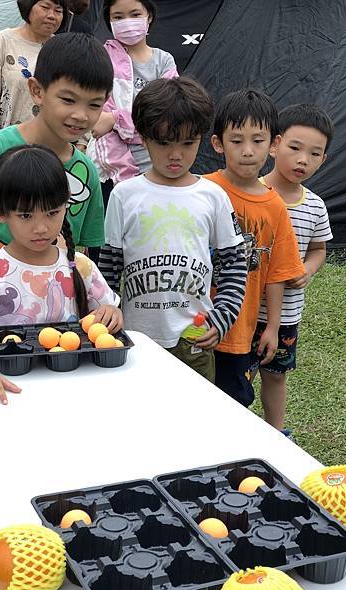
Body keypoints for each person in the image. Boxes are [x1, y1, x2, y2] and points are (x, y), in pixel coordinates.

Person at [0, 32, 113, 347]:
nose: (81, 115)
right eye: (68, 99)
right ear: (37, 90)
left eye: (94, 104)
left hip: (61, 333)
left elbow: (85, 252)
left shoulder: (86, 170)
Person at [0, 145, 122, 409]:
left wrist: (112, 314)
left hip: (72, 393)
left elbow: (112, 315)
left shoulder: (80, 267)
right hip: (10, 395)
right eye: (25, 215)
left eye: (52, 212)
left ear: (66, 204)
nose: (41, 227)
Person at [99, 77, 247, 382]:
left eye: (187, 143)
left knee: (194, 420)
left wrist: (220, 320)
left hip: (194, 339)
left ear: (202, 139)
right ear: (142, 137)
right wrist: (108, 318)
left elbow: (234, 263)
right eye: (164, 143)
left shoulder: (213, 197)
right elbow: (108, 272)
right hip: (136, 339)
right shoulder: (124, 195)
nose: (176, 154)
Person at [204, 89, 306, 407]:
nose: (247, 151)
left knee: (234, 403)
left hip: (240, 332)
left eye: (257, 140)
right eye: (237, 141)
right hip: (195, 325)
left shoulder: (274, 205)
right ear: (218, 143)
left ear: (273, 144)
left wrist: (273, 327)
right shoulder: (203, 190)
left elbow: (276, 272)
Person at [250, 104, 334, 433]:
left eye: (315, 154)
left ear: (323, 160)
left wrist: (309, 270)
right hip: (245, 310)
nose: (303, 160)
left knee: (276, 374)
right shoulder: (250, 192)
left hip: (285, 314)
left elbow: (318, 249)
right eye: (295, 148)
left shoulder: (314, 206)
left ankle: (277, 434)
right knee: (240, 376)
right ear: (274, 144)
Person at [87, 0, 178, 185]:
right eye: (118, 17)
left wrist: (115, 119)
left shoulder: (164, 61)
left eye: (135, 14)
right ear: (110, 21)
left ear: (149, 17)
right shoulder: (102, 59)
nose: (127, 22)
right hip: (111, 169)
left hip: (158, 162)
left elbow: (168, 115)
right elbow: (98, 121)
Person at [0, 0, 70, 138]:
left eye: (58, 11)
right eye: (45, 7)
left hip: (52, 144)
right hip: (9, 144)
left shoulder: (63, 50)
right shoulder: (2, 42)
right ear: (28, 7)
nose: (51, 15)